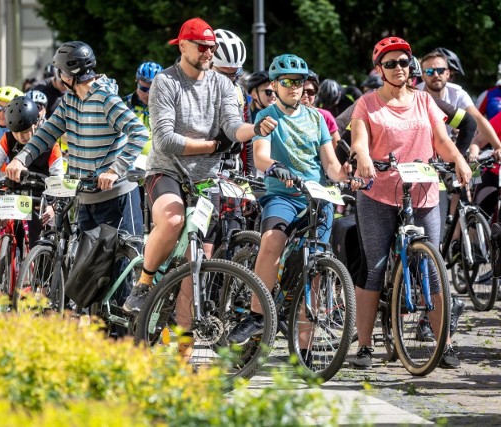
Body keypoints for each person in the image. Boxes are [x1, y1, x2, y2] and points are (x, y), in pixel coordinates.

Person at [121, 17, 276, 319]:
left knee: (197, 266)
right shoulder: (166, 82)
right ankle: (144, 283)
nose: (208, 53)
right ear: (182, 45)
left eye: (211, 47)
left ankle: (185, 346)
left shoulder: (224, 86)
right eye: (202, 46)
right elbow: (165, 140)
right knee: (172, 219)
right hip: (166, 171)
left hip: (204, 179)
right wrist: (212, 146)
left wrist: (254, 129)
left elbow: (232, 126)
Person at [350, 36, 471, 370]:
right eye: (390, 64)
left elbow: (442, 139)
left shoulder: (423, 101)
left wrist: (459, 161)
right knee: (374, 268)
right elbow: (359, 141)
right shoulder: (367, 104)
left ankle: (444, 341)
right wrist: (363, 158)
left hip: (423, 191)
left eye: (404, 62)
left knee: (434, 268)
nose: (399, 68)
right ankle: (363, 346)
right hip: (379, 192)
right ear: (379, 69)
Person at [227, 53, 356, 345]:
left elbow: (331, 166)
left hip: (317, 198)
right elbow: (260, 157)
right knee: (273, 239)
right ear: (275, 84)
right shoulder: (267, 117)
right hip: (282, 194)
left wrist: (349, 177)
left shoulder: (317, 118)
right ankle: (257, 315)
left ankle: (306, 350)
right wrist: (276, 167)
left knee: (318, 269)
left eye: (300, 81)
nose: (294, 87)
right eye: (286, 81)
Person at [5, 41, 148, 300]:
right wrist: (22, 158)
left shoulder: (106, 98)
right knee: (90, 273)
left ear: (71, 75)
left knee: (120, 273)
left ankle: (124, 337)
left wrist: (115, 170)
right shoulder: (71, 100)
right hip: (86, 197)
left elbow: (138, 133)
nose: (57, 77)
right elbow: (47, 132)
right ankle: (97, 330)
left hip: (116, 198)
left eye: (60, 72)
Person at [0, 96, 61, 271]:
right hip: (14, 197)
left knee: (39, 254)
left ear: (35, 124)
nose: (20, 137)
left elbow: (58, 179)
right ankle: (8, 268)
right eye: (15, 132)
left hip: (40, 200)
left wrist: (52, 205)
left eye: (25, 131)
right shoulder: (7, 138)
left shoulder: (51, 143)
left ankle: (39, 285)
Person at [417, 50, 501, 150]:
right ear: (422, 76)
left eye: (440, 70)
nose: (435, 75)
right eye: (430, 71)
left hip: (445, 151)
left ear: (448, 73)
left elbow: (478, 120)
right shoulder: (414, 94)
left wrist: (498, 147)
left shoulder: (458, 93)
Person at [211, 28, 254, 175]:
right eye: (223, 74)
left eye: (234, 73)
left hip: (233, 170)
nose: (229, 79)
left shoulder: (239, 92)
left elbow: (248, 142)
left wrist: (250, 173)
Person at [123, 61, 163, 157]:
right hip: (128, 164)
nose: (148, 94)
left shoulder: (166, 107)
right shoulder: (122, 106)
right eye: (144, 89)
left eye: (154, 89)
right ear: (136, 81)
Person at [300, 69, 341, 147]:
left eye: (310, 92)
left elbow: (337, 149)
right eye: (301, 91)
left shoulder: (325, 116)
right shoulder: (281, 115)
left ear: (316, 93)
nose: (305, 96)